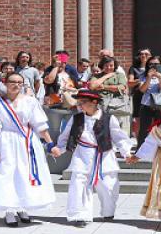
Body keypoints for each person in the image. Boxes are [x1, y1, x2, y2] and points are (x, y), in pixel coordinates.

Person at [0, 72, 57, 227]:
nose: (16, 85)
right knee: (7, 174)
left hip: (27, 141)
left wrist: (50, 144)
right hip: (6, 141)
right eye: (12, 82)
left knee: (25, 173)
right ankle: (9, 210)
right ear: (5, 83)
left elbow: (40, 126)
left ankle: (23, 207)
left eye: (20, 82)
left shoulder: (30, 101)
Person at [51, 90, 131, 226]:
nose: (80, 105)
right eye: (79, 102)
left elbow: (119, 138)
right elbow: (66, 136)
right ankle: (80, 215)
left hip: (104, 156)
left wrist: (126, 152)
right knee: (79, 184)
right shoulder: (76, 118)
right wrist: (60, 148)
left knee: (108, 186)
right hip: (82, 156)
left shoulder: (108, 119)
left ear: (95, 102)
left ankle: (108, 211)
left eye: (84, 102)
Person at [89, 57, 130, 129]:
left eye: (111, 65)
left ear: (115, 66)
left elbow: (122, 87)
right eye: (106, 65)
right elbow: (92, 86)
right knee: (101, 127)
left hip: (116, 105)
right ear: (102, 66)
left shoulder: (119, 75)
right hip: (100, 104)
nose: (109, 67)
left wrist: (104, 87)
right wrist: (106, 76)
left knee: (116, 127)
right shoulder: (97, 76)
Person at [136, 57, 161, 148]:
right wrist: (149, 77)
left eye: (157, 64)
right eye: (151, 64)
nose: (154, 66)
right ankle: (140, 150)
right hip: (146, 104)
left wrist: (160, 78)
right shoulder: (143, 75)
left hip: (160, 105)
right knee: (144, 129)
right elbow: (142, 90)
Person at [128, 49, 151, 131]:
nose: (144, 55)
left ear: (150, 56)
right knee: (137, 118)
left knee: (151, 117)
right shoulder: (134, 68)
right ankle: (138, 141)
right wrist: (139, 81)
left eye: (146, 54)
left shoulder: (154, 67)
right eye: (141, 54)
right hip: (138, 95)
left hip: (151, 96)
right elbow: (130, 83)